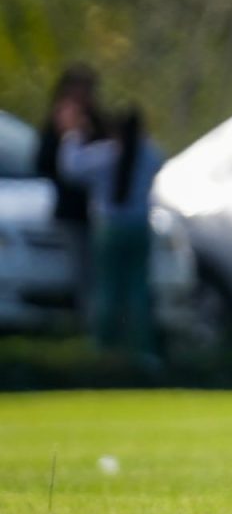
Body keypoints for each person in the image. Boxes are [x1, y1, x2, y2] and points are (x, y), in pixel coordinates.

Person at [55, 100, 164, 362]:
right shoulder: (149, 154)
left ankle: (104, 346)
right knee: (138, 289)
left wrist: (73, 134)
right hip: (138, 227)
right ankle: (142, 348)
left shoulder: (105, 155)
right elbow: (159, 158)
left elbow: (71, 168)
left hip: (109, 229)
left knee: (107, 288)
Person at [35, 64, 108, 324]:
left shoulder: (98, 123)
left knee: (96, 272)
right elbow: (43, 164)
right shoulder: (56, 125)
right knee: (81, 271)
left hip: (100, 211)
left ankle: (96, 322)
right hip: (71, 211)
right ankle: (86, 321)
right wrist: (66, 136)